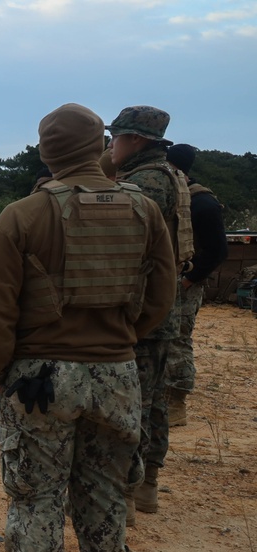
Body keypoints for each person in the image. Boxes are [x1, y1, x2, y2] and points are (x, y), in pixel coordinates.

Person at [0, 103, 176, 552]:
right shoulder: (142, 210)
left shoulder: (23, 214)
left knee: (36, 492)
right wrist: (120, 339)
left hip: (42, 378)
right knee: (106, 485)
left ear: (46, 152)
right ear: (100, 146)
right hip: (117, 372)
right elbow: (162, 296)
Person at [108, 105, 191, 518]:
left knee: (131, 404)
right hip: (158, 307)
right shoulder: (170, 175)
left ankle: (126, 491)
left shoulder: (145, 184)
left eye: (116, 137)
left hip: (141, 309)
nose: (110, 145)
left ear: (135, 140)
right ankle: (147, 487)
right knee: (153, 401)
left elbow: (126, 248)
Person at [163, 144, 229, 426]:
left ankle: (176, 404)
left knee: (178, 341)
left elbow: (218, 251)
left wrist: (189, 280)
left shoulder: (202, 202)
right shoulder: (174, 198)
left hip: (184, 283)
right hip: (165, 281)